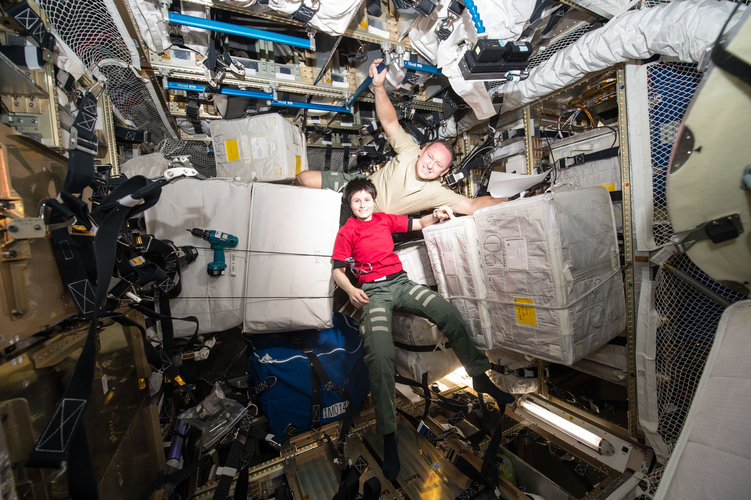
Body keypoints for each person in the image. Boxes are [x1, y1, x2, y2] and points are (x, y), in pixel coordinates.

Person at [331, 177, 515, 480]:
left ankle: (480, 376)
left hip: (401, 284)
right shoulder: (347, 231)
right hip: (374, 293)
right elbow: (338, 270)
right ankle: (389, 435)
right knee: (379, 354)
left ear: (373, 200)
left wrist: (438, 215)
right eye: (356, 201)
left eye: (366, 199)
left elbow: (417, 224)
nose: (363, 205)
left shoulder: (383, 220)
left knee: (448, 314)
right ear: (350, 205)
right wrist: (351, 290)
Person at [296, 58, 507, 216]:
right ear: (423, 151)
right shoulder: (409, 151)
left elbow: (471, 206)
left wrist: (514, 198)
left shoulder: (436, 192)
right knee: (304, 179)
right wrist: (378, 87)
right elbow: (389, 122)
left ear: (444, 171)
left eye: (438, 165)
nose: (430, 165)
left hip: (371, 221)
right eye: (430, 157)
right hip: (357, 187)